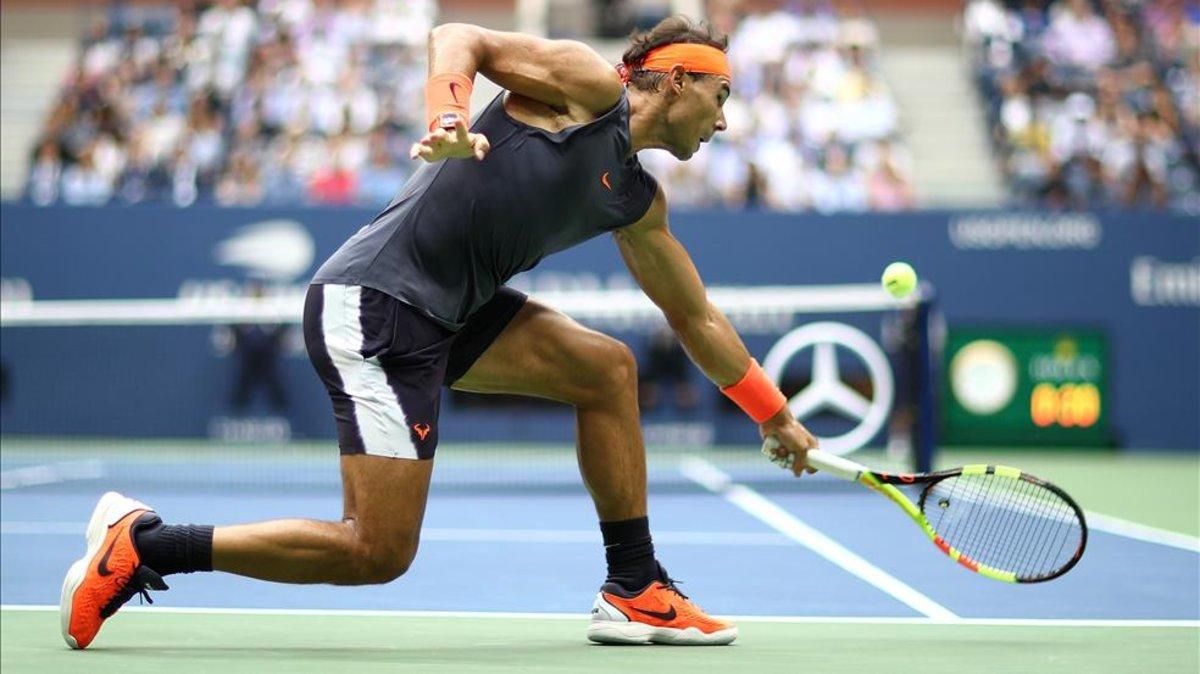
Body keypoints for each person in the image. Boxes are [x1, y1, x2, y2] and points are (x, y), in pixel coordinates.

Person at [61, 16, 818, 650]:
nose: (724, 121)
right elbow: (460, 34)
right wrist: (448, 113)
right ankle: (144, 545)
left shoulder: (636, 202)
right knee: (376, 551)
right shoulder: (587, 91)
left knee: (607, 370)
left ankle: (636, 586)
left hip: (451, 312)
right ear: (678, 79)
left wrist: (773, 414)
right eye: (721, 97)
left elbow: (694, 316)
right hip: (379, 300)